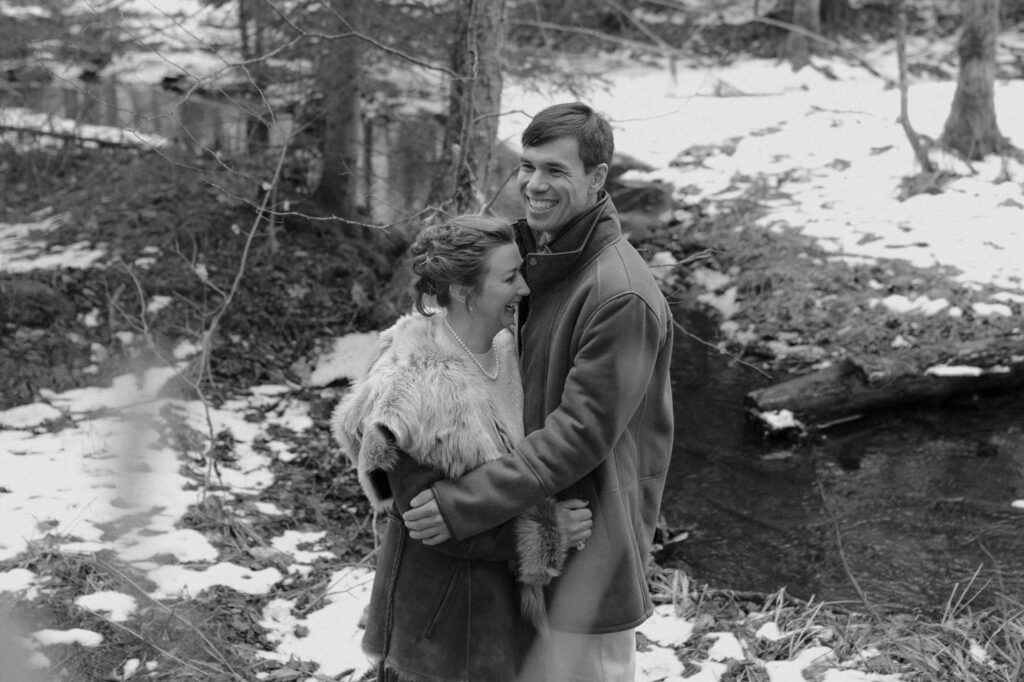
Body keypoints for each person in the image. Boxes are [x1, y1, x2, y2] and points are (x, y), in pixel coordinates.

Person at [402, 102, 675, 681]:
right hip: (535, 542)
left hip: (589, 558)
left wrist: (464, 505)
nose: (534, 184)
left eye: (556, 170)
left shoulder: (618, 293)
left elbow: (579, 434)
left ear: (598, 179)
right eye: (528, 166)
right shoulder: (546, 259)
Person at [331, 214, 594, 682]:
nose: (525, 290)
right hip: (440, 624)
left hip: (502, 610)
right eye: (510, 278)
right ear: (463, 290)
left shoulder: (511, 349)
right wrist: (550, 532)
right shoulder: (415, 386)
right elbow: (428, 523)